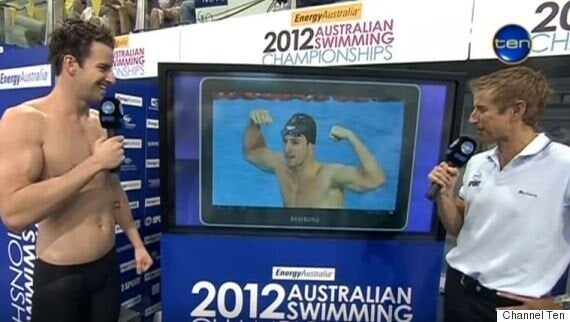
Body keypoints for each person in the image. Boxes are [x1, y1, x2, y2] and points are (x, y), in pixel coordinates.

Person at [0, 19, 153, 322]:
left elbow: (111, 188)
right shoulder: (24, 121)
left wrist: (136, 243)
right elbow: (14, 214)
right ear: (71, 64)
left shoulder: (99, 123)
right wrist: (94, 162)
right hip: (61, 280)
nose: (112, 78)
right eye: (103, 68)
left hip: (107, 271)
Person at [428, 66, 570, 322]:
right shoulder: (478, 162)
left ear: (517, 110)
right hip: (460, 292)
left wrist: (561, 305)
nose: (472, 118)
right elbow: (459, 228)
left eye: (482, 109)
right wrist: (446, 195)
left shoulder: (564, 165)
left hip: (522, 308)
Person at [244, 109, 386, 208]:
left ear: (311, 145)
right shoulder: (281, 165)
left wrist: (351, 136)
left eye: (295, 142)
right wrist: (254, 123)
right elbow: (251, 152)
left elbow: (376, 180)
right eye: (285, 141)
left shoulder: (330, 176)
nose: (287, 148)